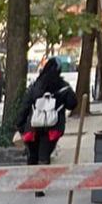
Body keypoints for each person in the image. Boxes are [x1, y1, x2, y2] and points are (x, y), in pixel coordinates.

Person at [16, 58, 79, 190]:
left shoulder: (36, 86)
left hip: (33, 127)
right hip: (52, 128)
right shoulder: (63, 87)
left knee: (32, 154)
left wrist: (20, 125)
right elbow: (72, 104)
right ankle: (40, 185)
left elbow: (25, 105)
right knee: (44, 155)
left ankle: (32, 182)